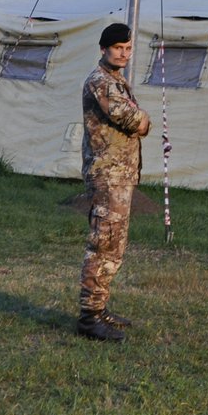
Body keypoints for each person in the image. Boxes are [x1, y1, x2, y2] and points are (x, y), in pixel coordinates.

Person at [76, 22, 152, 342]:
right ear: (104, 49)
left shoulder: (116, 81)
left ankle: (99, 307)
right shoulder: (101, 82)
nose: (124, 54)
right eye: (118, 48)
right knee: (103, 245)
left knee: (114, 247)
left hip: (119, 176)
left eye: (128, 48)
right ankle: (89, 318)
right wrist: (145, 120)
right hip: (107, 176)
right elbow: (131, 119)